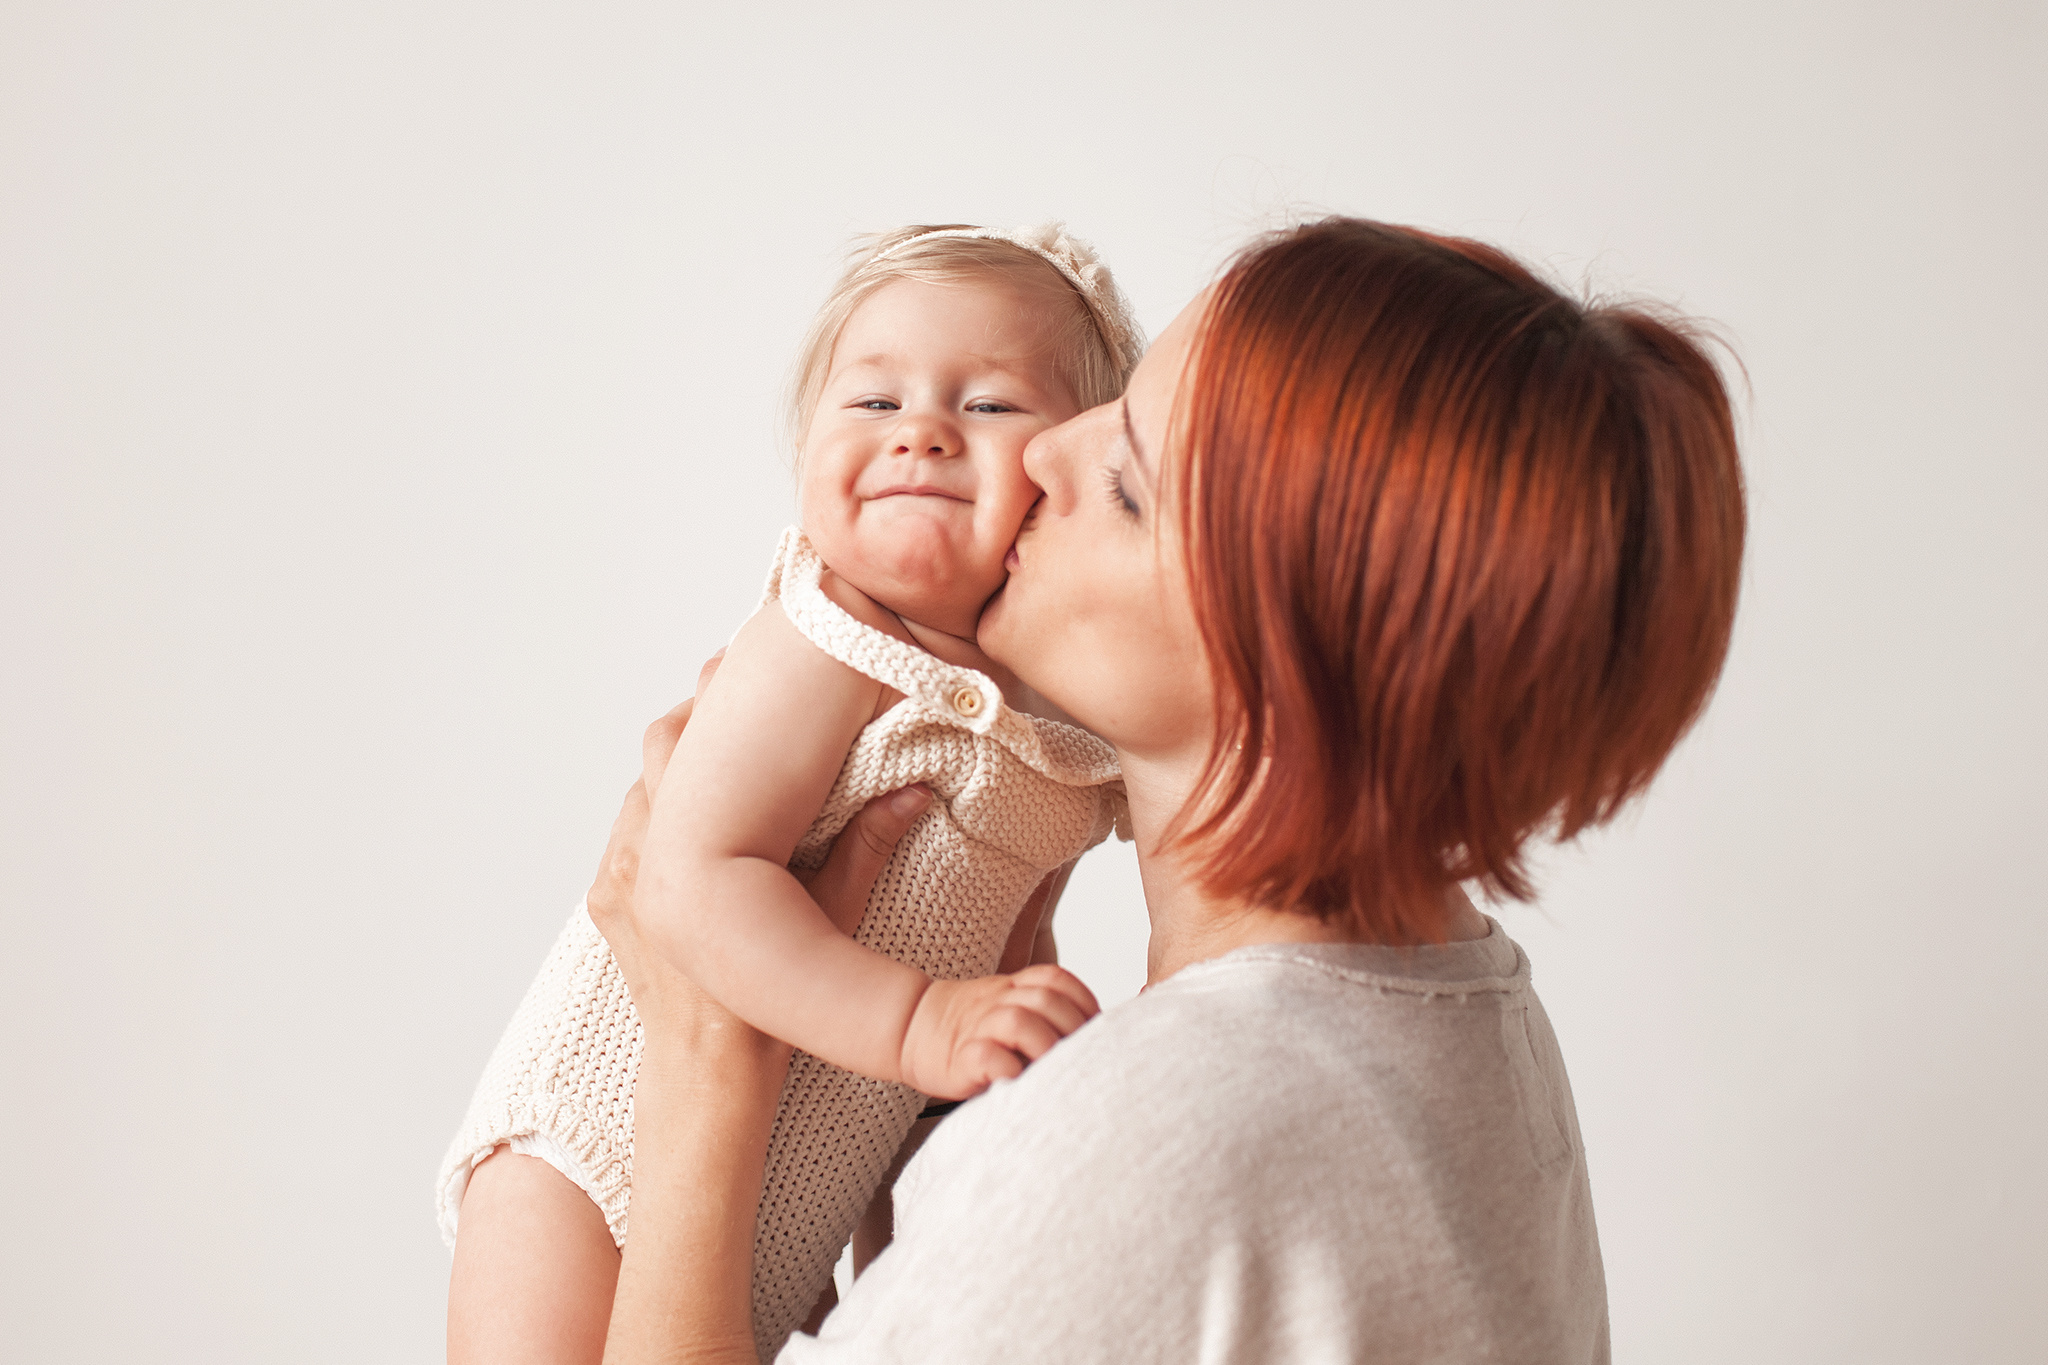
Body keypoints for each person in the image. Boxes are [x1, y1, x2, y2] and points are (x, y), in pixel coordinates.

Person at [591, 216, 1746, 1362]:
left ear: (1286, 665)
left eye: (1125, 485)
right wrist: (949, 1114)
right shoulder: (1472, 1025)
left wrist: (706, 1057)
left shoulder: (1157, 1133)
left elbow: (1122, 1208)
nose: (1040, 455)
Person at [440, 224, 1148, 1359]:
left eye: (986, 405)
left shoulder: (1057, 723)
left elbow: (1003, 947)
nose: (920, 430)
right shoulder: (825, 636)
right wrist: (921, 1023)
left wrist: (978, 1070)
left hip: (792, 1183)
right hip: (591, 1139)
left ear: (1072, 469)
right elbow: (689, 878)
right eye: (873, 402)